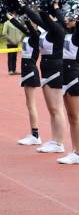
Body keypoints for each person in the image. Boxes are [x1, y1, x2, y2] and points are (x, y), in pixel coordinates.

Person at [24, 5, 67, 156]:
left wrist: (45, 8)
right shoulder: (49, 30)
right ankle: (54, 139)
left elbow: (44, 18)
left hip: (54, 69)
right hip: (46, 69)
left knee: (56, 108)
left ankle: (59, 142)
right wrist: (24, 7)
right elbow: (37, 19)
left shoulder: (58, 31)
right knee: (52, 109)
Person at [56, 6, 79, 165]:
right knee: (71, 117)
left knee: (76, 117)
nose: (66, 20)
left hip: (74, 77)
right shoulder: (66, 34)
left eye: (70, 18)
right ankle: (75, 151)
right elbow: (59, 20)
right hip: (65, 77)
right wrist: (55, 7)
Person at [8, 13, 41, 146]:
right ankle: (34, 133)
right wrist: (8, 15)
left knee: (31, 104)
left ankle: (35, 134)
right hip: (26, 71)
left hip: (31, 71)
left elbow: (30, 28)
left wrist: (28, 20)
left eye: (32, 22)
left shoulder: (36, 35)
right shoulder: (28, 34)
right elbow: (17, 24)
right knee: (29, 104)